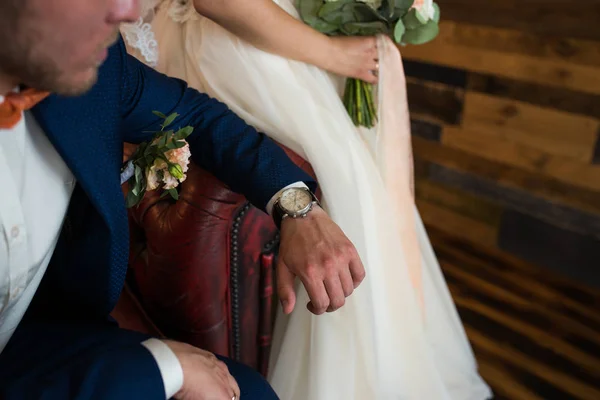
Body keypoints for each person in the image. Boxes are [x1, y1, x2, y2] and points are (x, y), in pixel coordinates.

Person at [121, 0, 494, 399]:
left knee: (361, 212)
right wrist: (334, 53)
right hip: (247, 52)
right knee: (349, 202)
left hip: (287, 46)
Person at [0, 0, 368, 399]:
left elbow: (198, 117)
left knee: (251, 392)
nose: (129, 10)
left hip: (46, 334)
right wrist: (163, 369)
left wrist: (296, 207)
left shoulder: (94, 71)